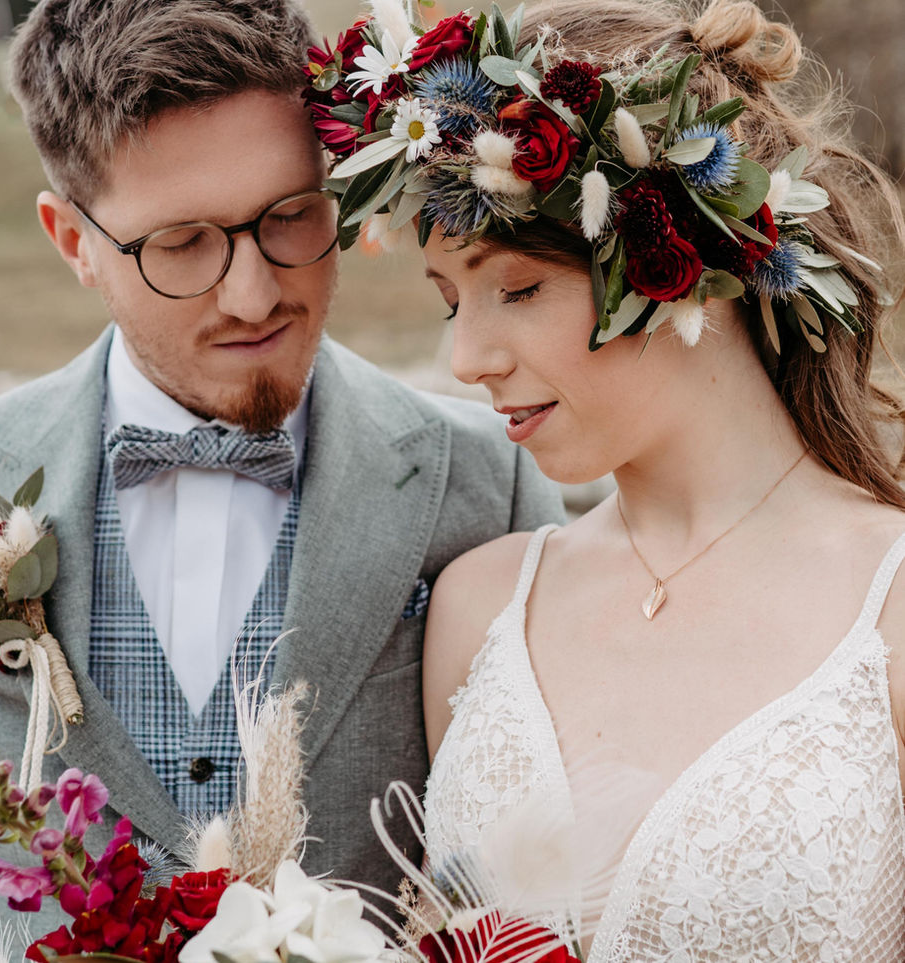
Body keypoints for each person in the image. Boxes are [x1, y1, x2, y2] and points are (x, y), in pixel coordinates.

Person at [0, 0, 565, 918]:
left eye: (289, 215)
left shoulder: (485, 481)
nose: (254, 294)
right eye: (181, 243)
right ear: (73, 242)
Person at [310, 0, 905, 957]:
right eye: (449, 301)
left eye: (517, 289)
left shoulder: (890, 606)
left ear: (679, 256)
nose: (464, 358)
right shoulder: (480, 608)